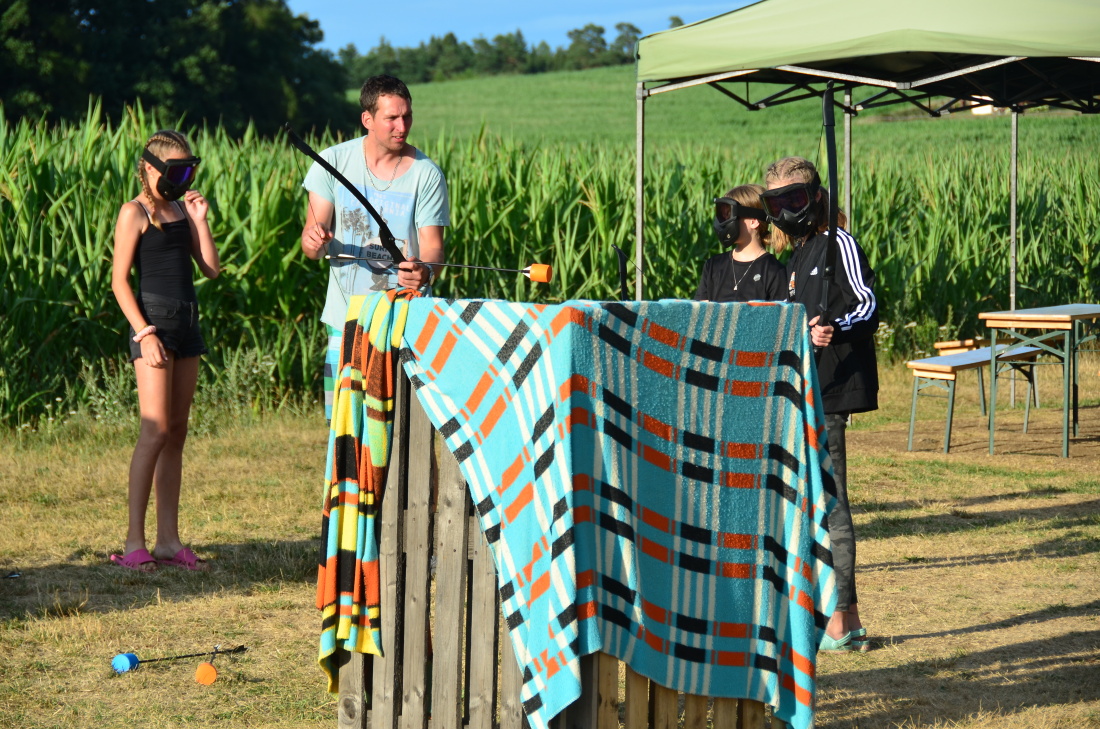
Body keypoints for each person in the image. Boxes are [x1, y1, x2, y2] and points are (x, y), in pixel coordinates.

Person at [761, 156, 878, 652]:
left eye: (794, 199)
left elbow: (868, 304)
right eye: (776, 204)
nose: (786, 211)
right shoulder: (798, 257)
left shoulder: (837, 243)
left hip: (832, 388)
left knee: (832, 504)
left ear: (814, 198)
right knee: (816, 503)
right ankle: (843, 618)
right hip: (806, 389)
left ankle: (839, 621)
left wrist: (836, 328)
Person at [299, 74, 449, 419]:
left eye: (407, 116)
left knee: (400, 427)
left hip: (403, 322)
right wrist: (313, 239)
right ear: (367, 119)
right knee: (342, 426)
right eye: (392, 118)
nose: (402, 126)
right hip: (345, 320)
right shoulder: (332, 161)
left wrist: (425, 272)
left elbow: (433, 249)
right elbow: (312, 243)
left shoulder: (427, 174)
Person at [110, 129, 219, 572]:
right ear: (151, 168)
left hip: (187, 324)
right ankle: (134, 542)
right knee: (154, 431)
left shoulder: (181, 211)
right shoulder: (133, 212)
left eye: (188, 171)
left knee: (176, 432)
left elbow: (210, 269)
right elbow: (119, 282)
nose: (182, 180)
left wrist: (200, 219)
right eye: (176, 172)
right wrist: (144, 334)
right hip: (154, 325)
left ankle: (168, 541)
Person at [694, 184, 787, 302]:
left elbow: (779, 313)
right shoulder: (713, 266)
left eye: (730, 215)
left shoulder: (773, 271)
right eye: (723, 215)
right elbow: (702, 309)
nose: (724, 222)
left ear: (754, 222)